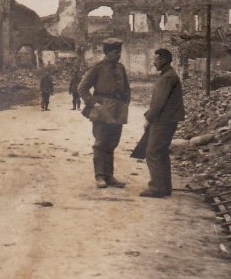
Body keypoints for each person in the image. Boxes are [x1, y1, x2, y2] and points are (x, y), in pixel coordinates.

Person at [78, 38, 131, 189]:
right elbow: (82, 88)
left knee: (113, 143)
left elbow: (127, 88)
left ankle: (110, 176)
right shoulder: (97, 68)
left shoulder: (121, 68)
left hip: (118, 110)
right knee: (100, 143)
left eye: (119, 51)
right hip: (102, 110)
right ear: (108, 52)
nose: (119, 55)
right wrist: (94, 104)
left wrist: (126, 102)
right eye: (116, 52)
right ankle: (100, 176)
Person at [140, 48, 184, 198]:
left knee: (152, 152)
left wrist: (149, 119)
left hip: (163, 120)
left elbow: (159, 103)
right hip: (168, 119)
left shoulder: (167, 78)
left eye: (156, 59)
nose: (154, 62)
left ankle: (157, 188)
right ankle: (165, 187)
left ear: (163, 60)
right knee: (162, 151)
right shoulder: (169, 75)